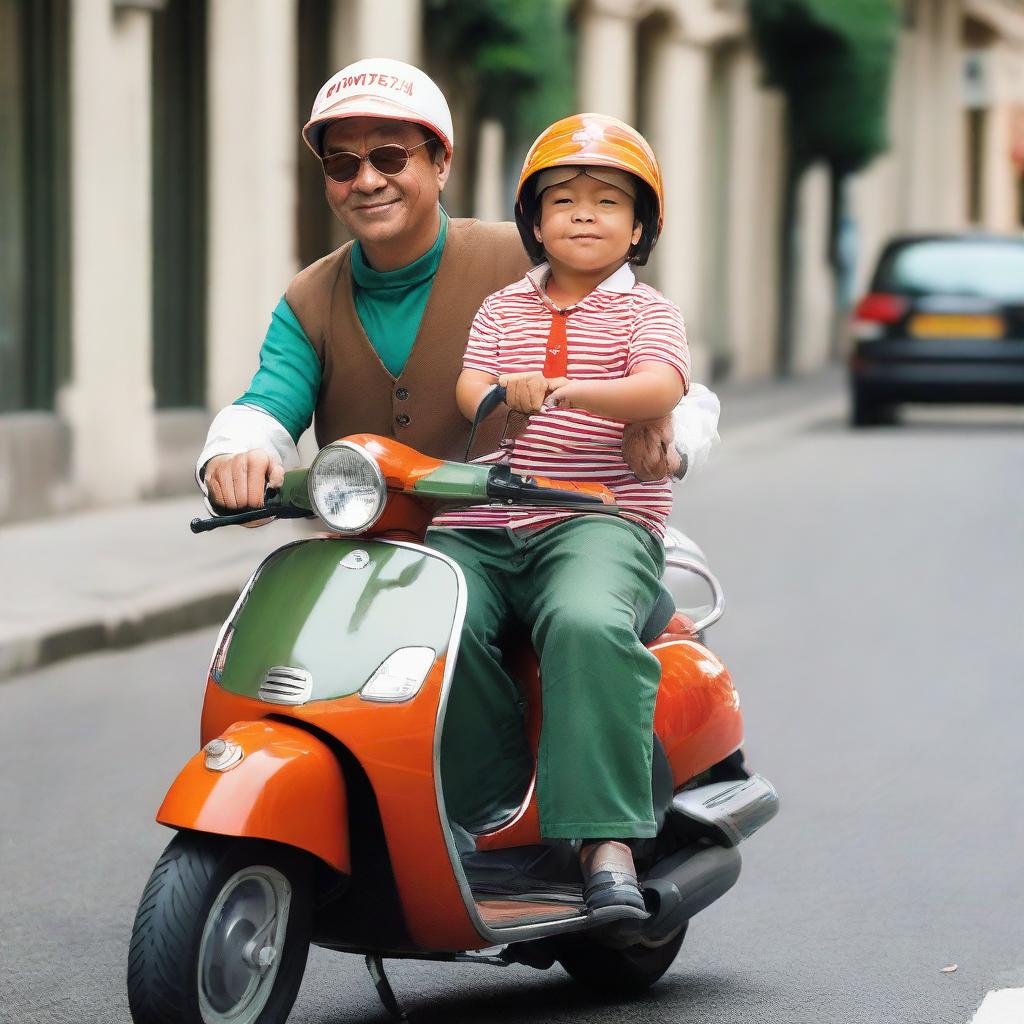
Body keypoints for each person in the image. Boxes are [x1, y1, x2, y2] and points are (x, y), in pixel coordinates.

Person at [194, 58, 719, 856]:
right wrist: (237, 451)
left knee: (572, 622)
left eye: (390, 157)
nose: (366, 180)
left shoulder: (530, 252)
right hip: (392, 550)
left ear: (442, 163)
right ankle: (448, 820)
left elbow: (663, 362)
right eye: (343, 164)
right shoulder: (310, 298)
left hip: (556, 520)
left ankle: (558, 828)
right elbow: (268, 400)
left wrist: (670, 429)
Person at [428, 113, 687, 916]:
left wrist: (566, 390)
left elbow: (660, 388)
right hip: (489, 517)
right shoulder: (503, 308)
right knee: (430, 612)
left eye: (607, 201)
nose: (583, 213)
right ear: (534, 223)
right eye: (563, 199)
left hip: (600, 519)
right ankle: (491, 811)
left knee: (583, 622)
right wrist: (506, 394)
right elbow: (471, 390)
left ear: (638, 226)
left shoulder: (648, 313)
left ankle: (606, 840)